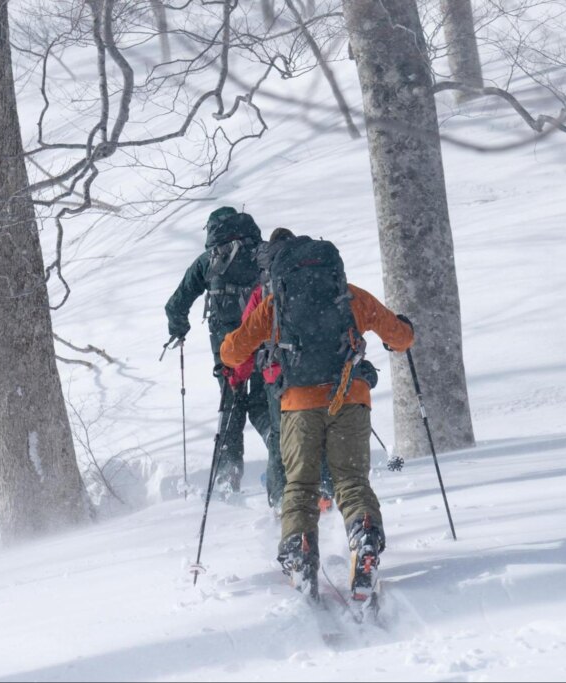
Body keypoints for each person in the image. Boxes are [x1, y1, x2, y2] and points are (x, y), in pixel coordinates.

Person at [220, 234, 414, 601]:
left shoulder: (275, 303)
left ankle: (299, 548)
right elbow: (400, 337)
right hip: (351, 398)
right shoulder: (351, 295)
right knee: (352, 481)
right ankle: (365, 535)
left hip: (298, 404)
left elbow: (232, 352)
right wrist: (403, 330)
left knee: (300, 486)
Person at [164, 207, 271, 495]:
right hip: (265, 342)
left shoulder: (208, 259)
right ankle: (282, 458)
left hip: (228, 350)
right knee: (265, 404)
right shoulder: (263, 252)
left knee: (232, 407)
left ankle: (227, 477)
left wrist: (179, 328)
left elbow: (176, 303)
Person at [229, 228, 336, 514]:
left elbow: (246, 339)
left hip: (278, 376)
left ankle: (281, 501)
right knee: (320, 434)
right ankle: (325, 492)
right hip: (323, 371)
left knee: (280, 439)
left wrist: (236, 376)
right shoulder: (320, 278)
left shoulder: (264, 290)